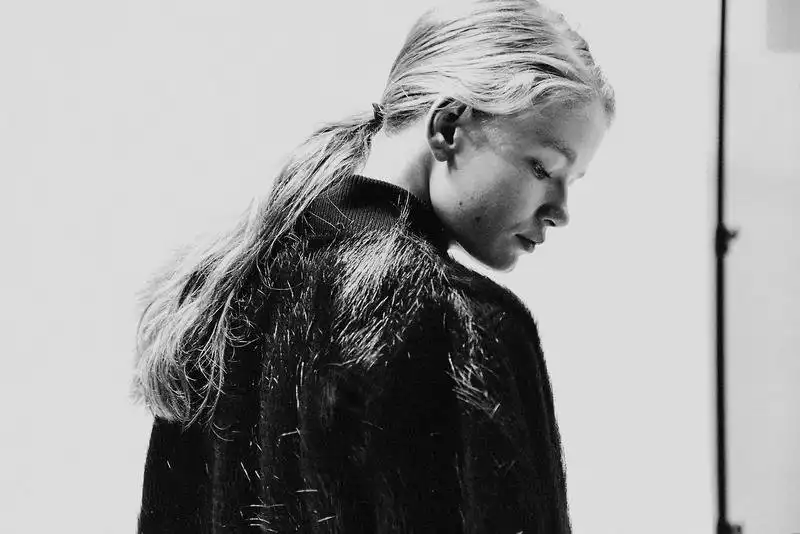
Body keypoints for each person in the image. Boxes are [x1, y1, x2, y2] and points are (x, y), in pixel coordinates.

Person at [133, 0, 615, 532]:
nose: (560, 211)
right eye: (543, 168)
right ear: (448, 127)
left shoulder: (217, 293)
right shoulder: (465, 320)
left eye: (572, 182)